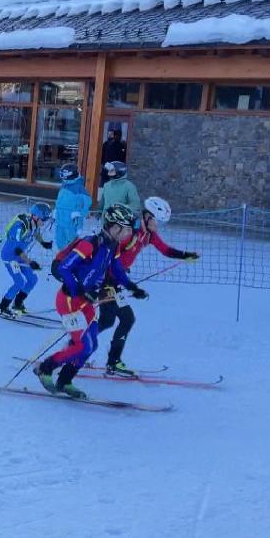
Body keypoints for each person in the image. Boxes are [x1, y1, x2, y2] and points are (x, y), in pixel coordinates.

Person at [35, 204, 148, 399]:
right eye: (127, 229)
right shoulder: (90, 243)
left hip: (85, 302)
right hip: (69, 300)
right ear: (114, 227)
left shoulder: (112, 247)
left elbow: (118, 271)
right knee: (82, 346)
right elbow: (64, 269)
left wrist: (133, 288)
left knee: (92, 344)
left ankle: (65, 381)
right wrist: (79, 289)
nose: (129, 233)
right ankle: (46, 368)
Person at [97, 197, 199, 376]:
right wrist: (128, 285)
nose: (158, 226)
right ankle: (77, 348)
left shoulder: (148, 234)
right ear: (147, 217)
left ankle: (113, 361)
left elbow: (165, 249)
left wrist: (185, 255)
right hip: (106, 280)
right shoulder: (130, 232)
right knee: (107, 321)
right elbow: (110, 256)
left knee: (126, 319)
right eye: (156, 221)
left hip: (117, 282)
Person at [0, 202, 53, 317]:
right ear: (36, 216)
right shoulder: (19, 227)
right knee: (19, 282)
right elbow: (17, 249)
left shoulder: (34, 223)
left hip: (20, 256)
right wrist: (30, 262)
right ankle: (2, 306)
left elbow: (35, 233)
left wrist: (43, 243)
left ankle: (18, 303)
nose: (45, 222)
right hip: (10, 256)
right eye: (44, 219)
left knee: (32, 279)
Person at [54, 163, 92, 249]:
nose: (62, 177)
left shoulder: (79, 188)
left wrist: (79, 214)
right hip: (60, 220)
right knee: (60, 243)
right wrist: (56, 210)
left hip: (71, 222)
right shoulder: (64, 185)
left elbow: (87, 203)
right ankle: (60, 259)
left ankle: (71, 260)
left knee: (72, 244)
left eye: (64, 174)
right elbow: (60, 200)